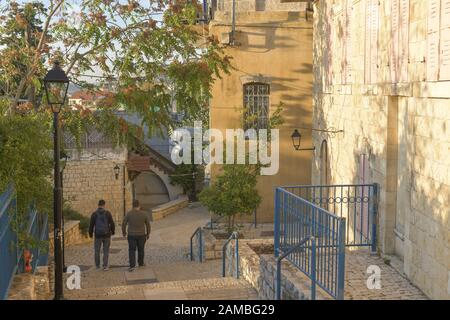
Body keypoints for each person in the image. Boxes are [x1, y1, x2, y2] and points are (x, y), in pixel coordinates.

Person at [122, 199, 151, 272]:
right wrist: (148, 233)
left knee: (132, 250)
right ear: (139, 205)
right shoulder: (144, 214)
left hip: (131, 235)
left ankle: (132, 265)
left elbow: (124, 223)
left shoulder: (129, 214)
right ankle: (141, 263)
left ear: (132, 206)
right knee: (141, 250)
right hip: (141, 235)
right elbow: (148, 225)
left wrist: (124, 232)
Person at [88, 200, 115, 271]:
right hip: (106, 235)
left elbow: (91, 225)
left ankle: (97, 266)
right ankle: (105, 266)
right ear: (104, 205)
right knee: (106, 251)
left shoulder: (94, 214)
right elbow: (112, 223)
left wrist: (90, 234)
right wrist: (113, 231)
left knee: (97, 251)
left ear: (98, 205)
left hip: (97, 235)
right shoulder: (107, 213)